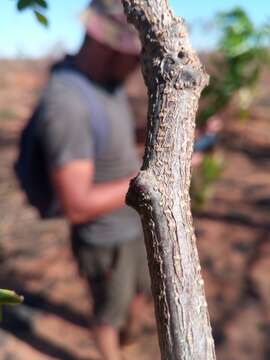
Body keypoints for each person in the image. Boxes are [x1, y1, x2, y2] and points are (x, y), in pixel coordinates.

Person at [31, 1, 151, 359]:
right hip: (104, 240)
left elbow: (112, 140)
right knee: (107, 315)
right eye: (134, 54)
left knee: (136, 295)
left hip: (131, 226)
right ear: (106, 43)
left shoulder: (105, 84)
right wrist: (154, 180)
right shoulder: (66, 102)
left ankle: (129, 341)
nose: (137, 64)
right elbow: (77, 204)